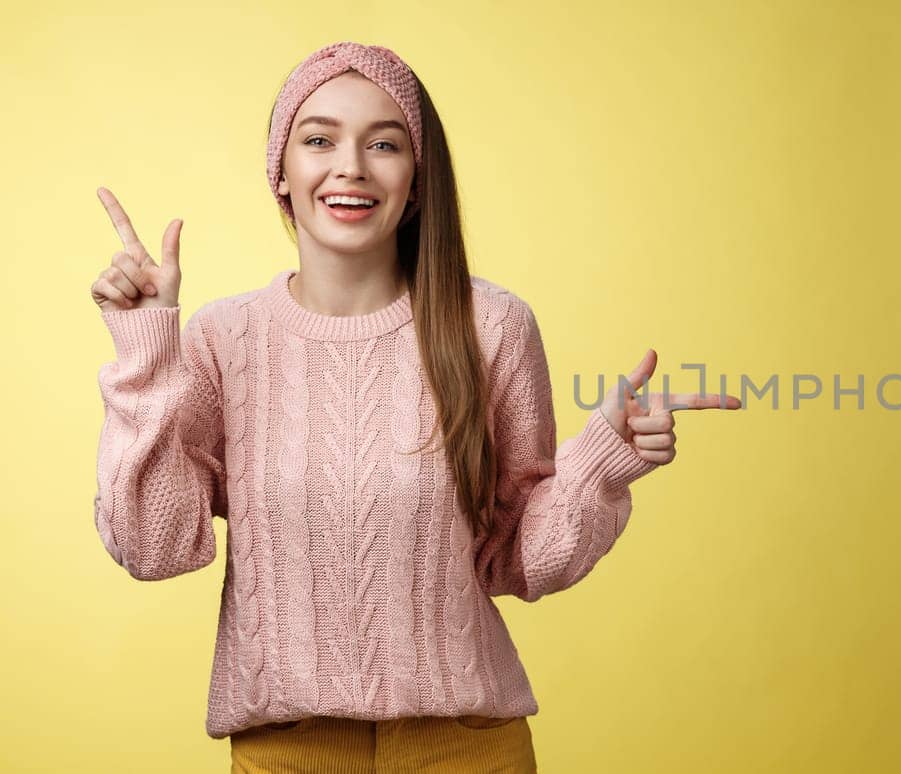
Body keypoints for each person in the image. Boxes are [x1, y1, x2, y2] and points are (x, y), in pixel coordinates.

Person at [87, 41, 741, 772]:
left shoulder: (490, 328)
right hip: (287, 754)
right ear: (282, 172)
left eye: (385, 144)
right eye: (319, 139)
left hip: (466, 750)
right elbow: (155, 549)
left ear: (419, 179)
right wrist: (147, 351)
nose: (351, 167)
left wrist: (597, 465)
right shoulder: (223, 340)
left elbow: (516, 561)